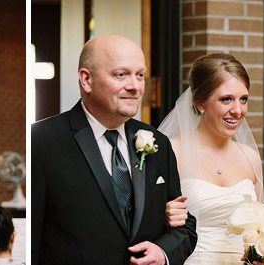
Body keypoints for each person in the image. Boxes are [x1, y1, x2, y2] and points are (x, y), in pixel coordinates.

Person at [32, 34, 197, 265]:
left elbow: (184, 225)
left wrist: (164, 252)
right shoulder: (41, 141)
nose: (134, 86)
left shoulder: (158, 143)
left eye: (140, 75)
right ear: (87, 80)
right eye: (121, 75)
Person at [158, 53, 264, 265]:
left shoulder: (250, 157)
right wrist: (162, 216)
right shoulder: (171, 151)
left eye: (243, 99)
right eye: (226, 99)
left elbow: (259, 229)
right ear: (200, 103)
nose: (237, 110)